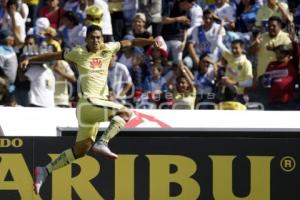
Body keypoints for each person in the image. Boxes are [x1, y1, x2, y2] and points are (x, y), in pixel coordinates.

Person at [20, 24, 159, 195]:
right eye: (92, 37)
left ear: (103, 39)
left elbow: (130, 42)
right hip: (88, 103)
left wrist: (151, 41)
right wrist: (30, 59)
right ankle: (103, 142)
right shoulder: (78, 52)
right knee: (126, 112)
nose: (96, 40)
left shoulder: (108, 48)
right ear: (86, 39)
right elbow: (55, 55)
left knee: (80, 150)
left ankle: (44, 171)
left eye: (98, 37)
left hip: (92, 109)